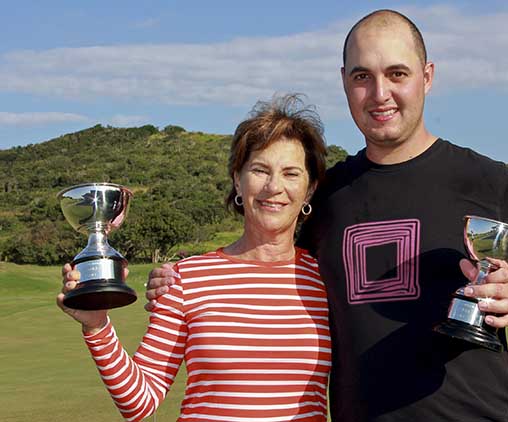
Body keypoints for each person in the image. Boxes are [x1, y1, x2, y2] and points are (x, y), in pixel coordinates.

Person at [145, 10, 508, 421]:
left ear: (427, 76)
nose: (380, 93)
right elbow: (269, 273)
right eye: (363, 77)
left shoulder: (487, 181)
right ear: (345, 82)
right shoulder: (327, 195)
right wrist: (179, 281)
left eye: (397, 74)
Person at [58, 94, 332, 422]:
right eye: (259, 170)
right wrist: (97, 325)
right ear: (237, 180)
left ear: (310, 189)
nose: (274, 186)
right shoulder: (186, 278)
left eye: (291, 173)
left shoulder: (328, 279)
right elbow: (139, 403)